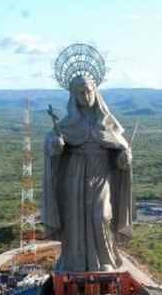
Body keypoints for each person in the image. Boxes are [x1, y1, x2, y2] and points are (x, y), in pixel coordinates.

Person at [42, 75, 133, 272]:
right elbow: (52, 145)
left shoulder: (107, 123)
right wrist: (55, 145)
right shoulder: (67, 124)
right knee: (75, 218)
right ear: (74, 96)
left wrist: (124, 157)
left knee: (101, 215)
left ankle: (105, 259)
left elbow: (120, 151)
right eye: (80, 93)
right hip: (74, 175)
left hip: (100, 174)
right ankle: (74, 262)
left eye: (88, 91)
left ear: (95, 91)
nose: (85, 96)